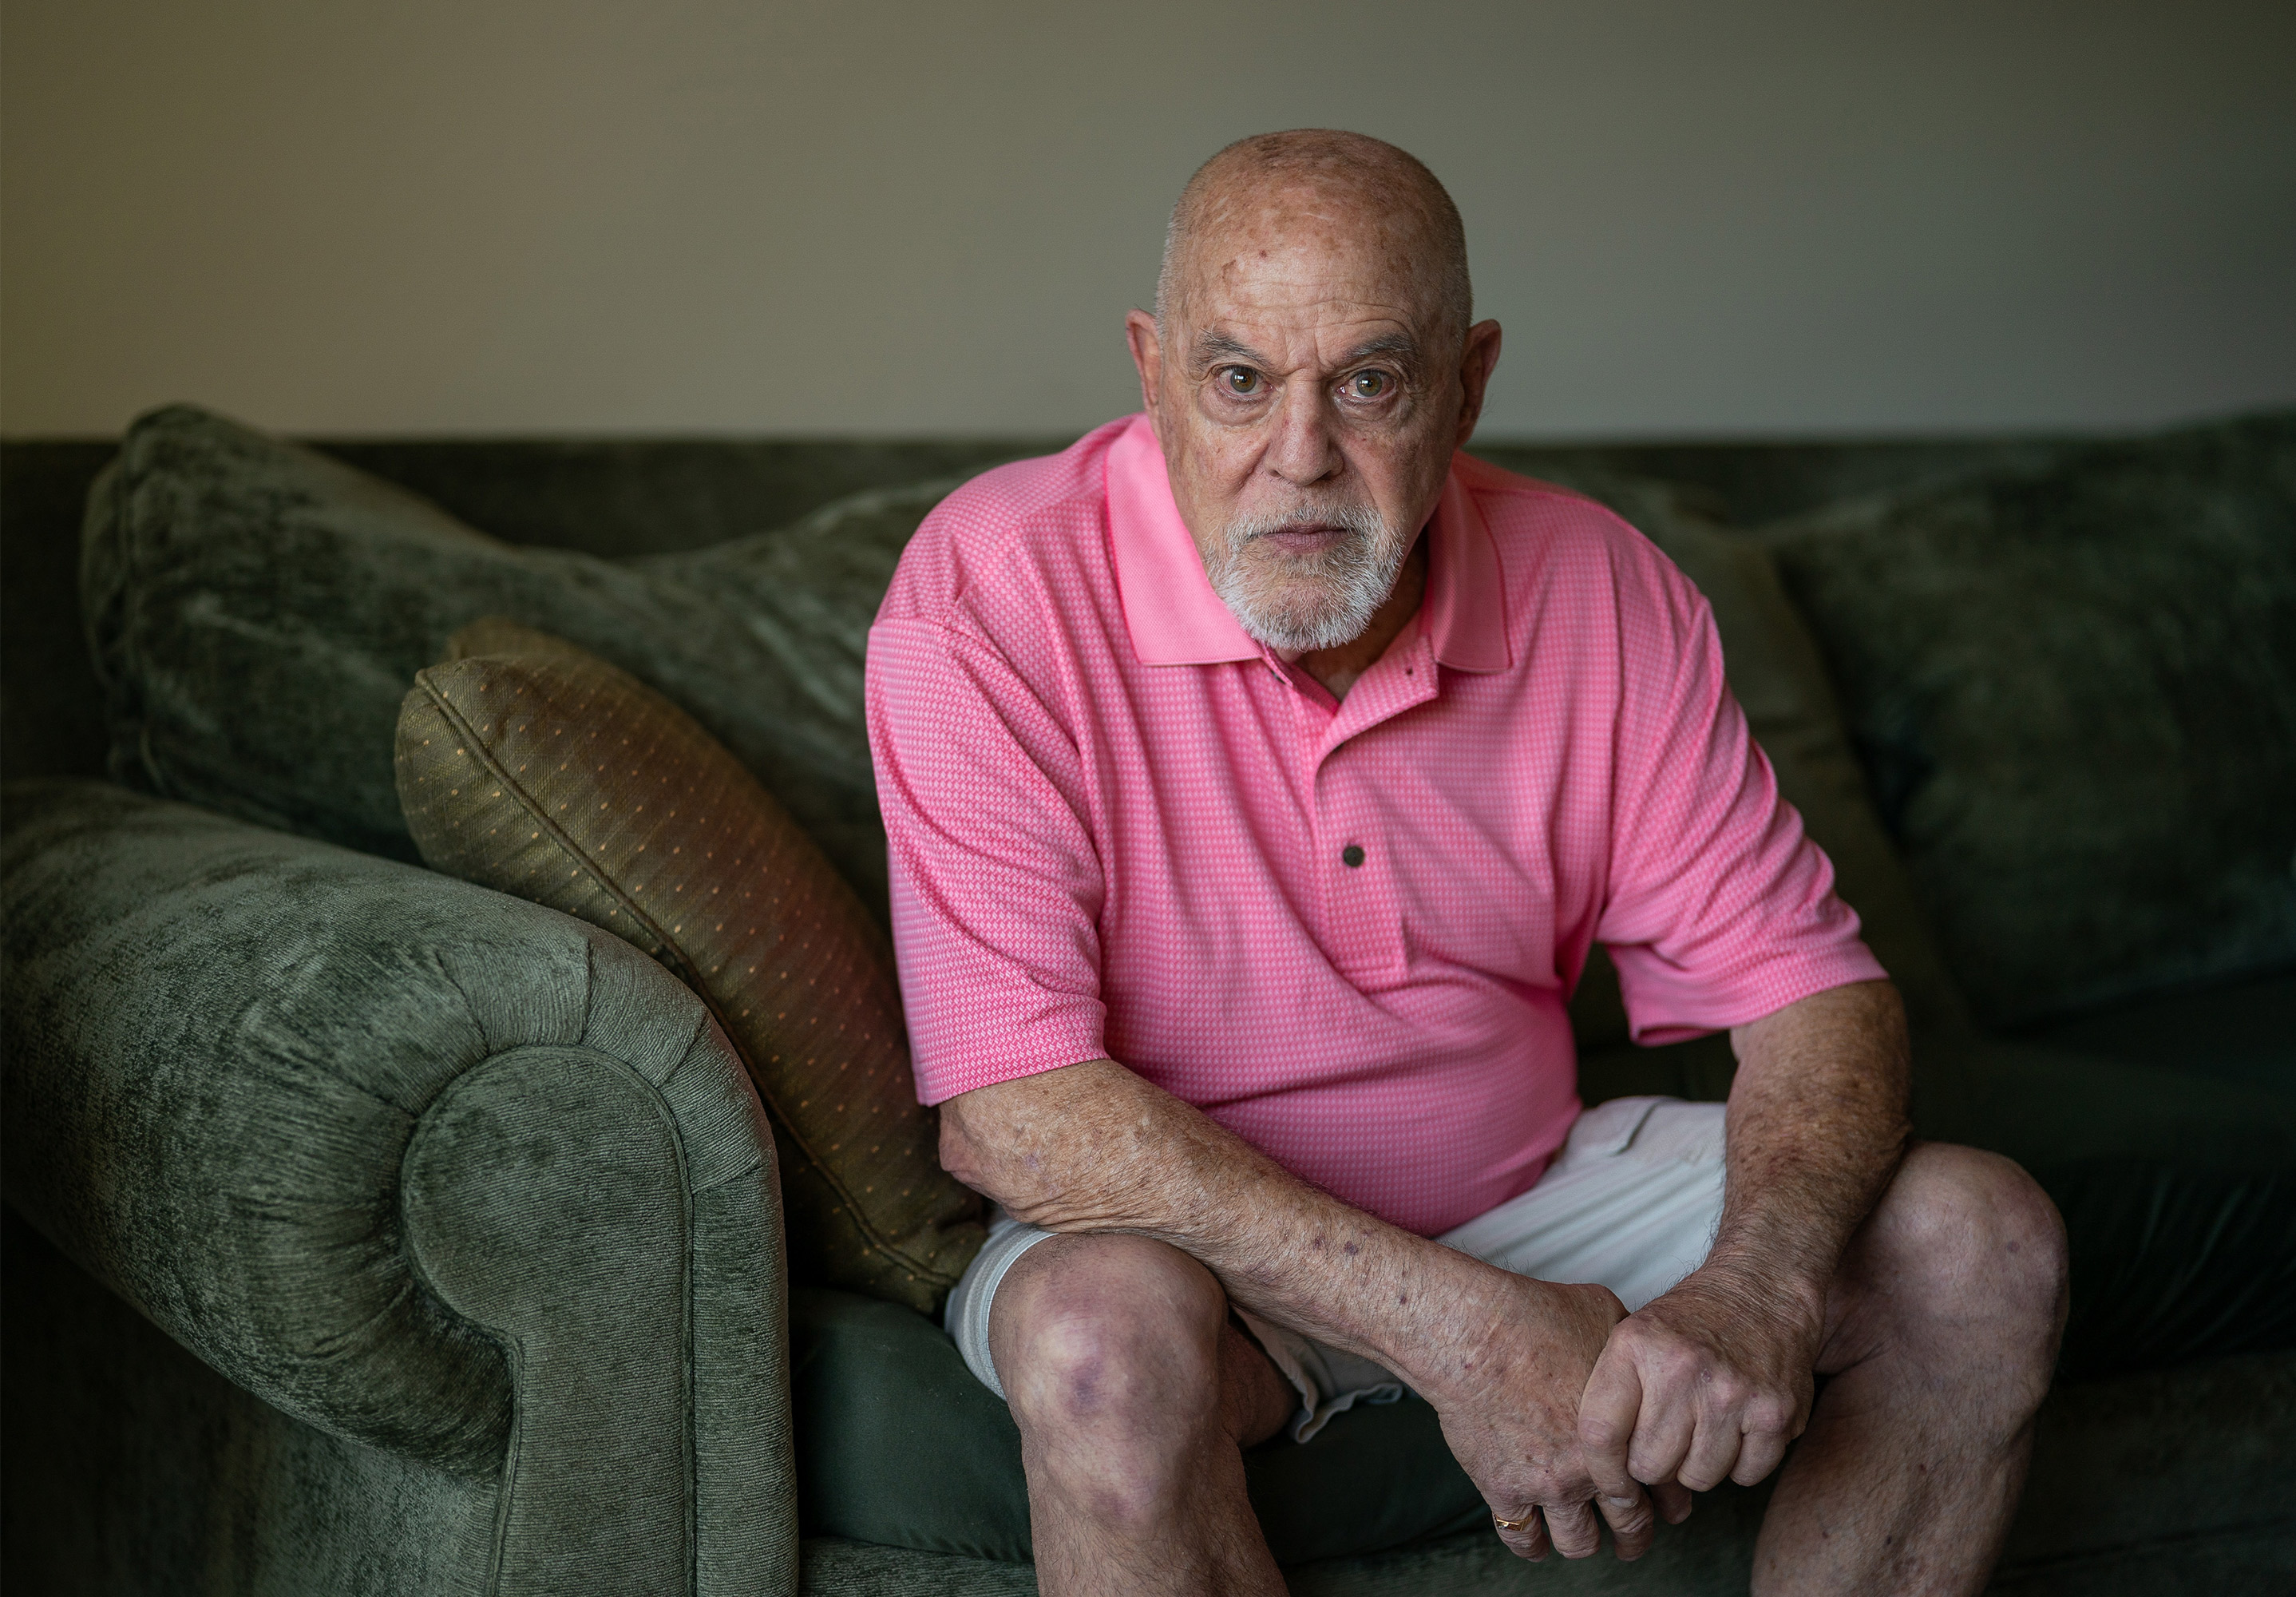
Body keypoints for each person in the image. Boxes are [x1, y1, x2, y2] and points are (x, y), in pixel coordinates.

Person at [863, 129, 2068, 1596]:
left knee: (1980, 1242)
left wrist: (1757, 1292)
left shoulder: (1603, 585)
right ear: (1152, 366)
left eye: (1368, 382)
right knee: (1099, 1346)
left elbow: (1815, 996)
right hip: (1187, 1254)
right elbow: (1019, 1122)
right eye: (1239, 381)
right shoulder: (990, 592)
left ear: (1469, 380)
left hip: (1526, 1191)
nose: (1298, 459)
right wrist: (1469, 1331)